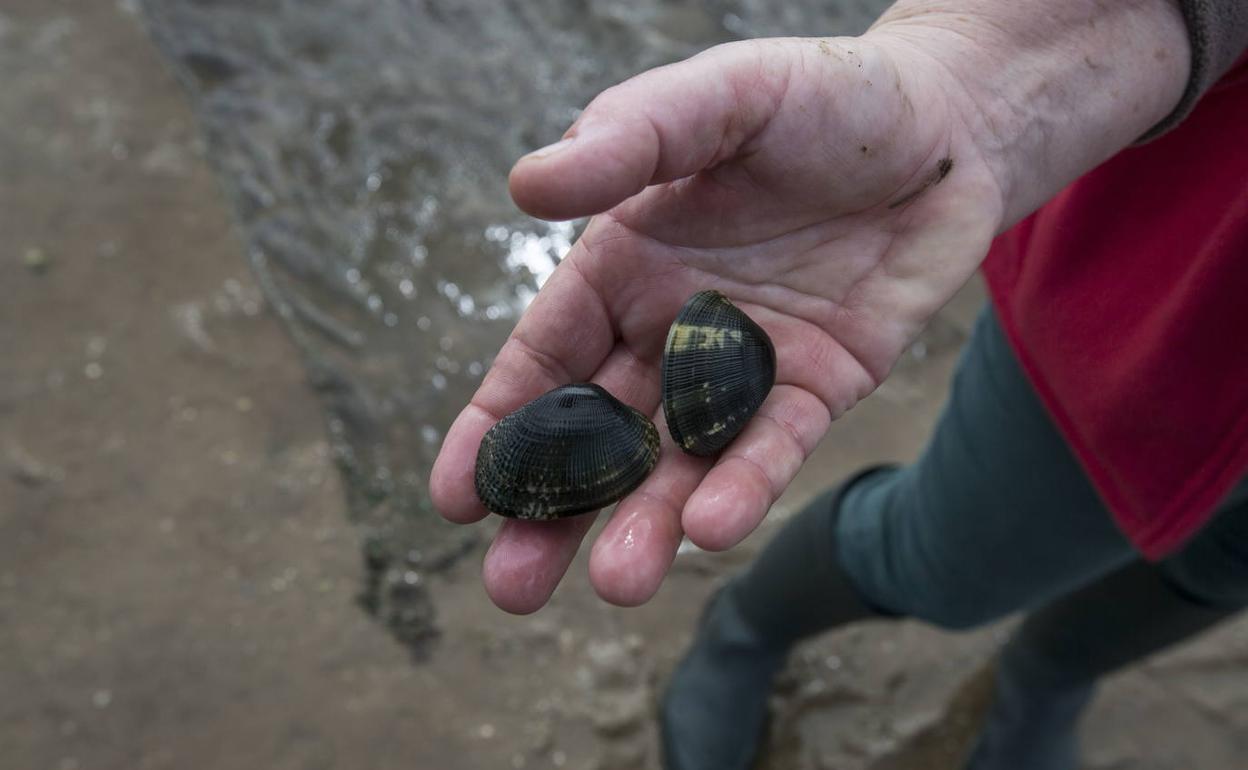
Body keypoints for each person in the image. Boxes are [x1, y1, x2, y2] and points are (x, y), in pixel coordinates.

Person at [430, 0, 1248, 767]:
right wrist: (974, 78)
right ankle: (749, 627)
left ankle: (1050, 674)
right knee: (946, 561)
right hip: (1158, 327)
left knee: (1208, 578)